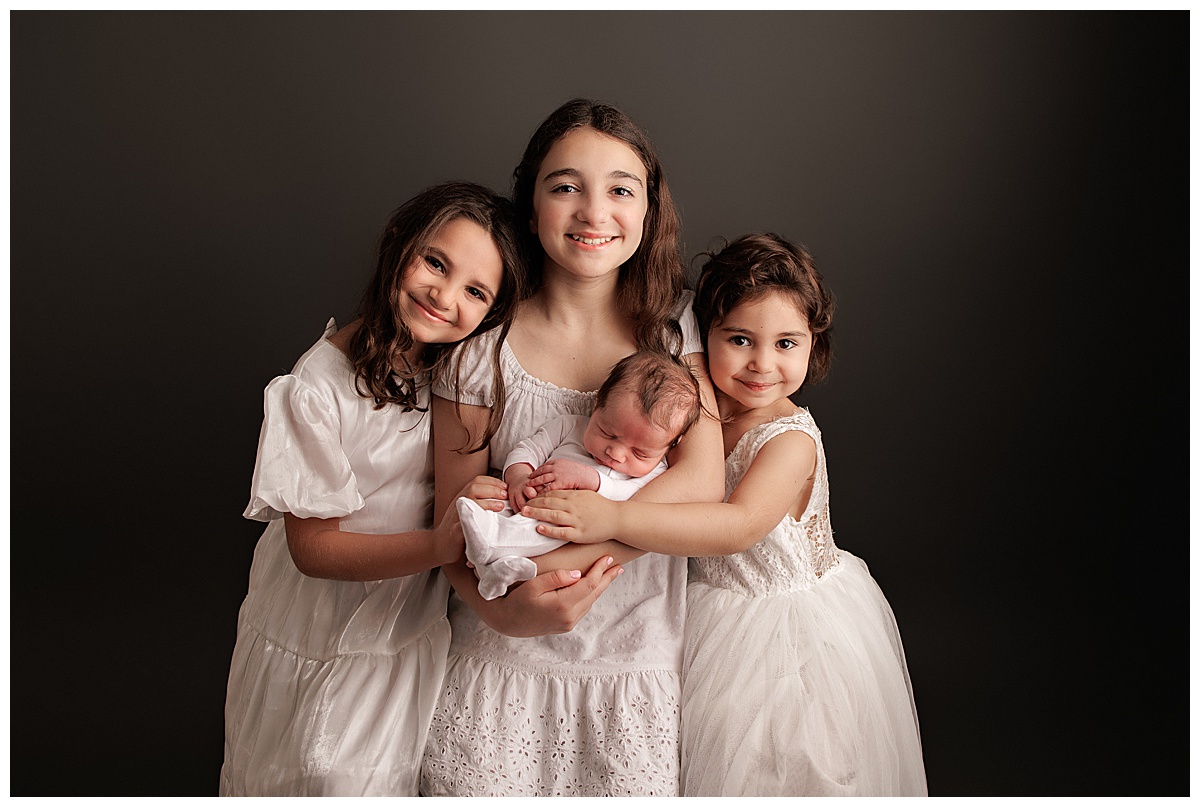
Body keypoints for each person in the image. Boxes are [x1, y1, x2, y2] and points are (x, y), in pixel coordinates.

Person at [525, 233, 928, 796]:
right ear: (703, 336)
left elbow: (739, 527)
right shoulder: (692, 416)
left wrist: (613, 520)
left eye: (787, 343)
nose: (763, 364)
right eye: (740, 339)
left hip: (786, 633)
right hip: (706, 615)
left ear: (814, 345)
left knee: (787, 763)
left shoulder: (789, 440)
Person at [419, 99, 725, 796]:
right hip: (500, 657)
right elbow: (452, 520)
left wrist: (583, 547)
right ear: (530, 206)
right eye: (565, 186)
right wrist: (498, 607)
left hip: (632, 662)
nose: (594, 211)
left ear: (649, 211)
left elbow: (701, 482)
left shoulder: (677, 333)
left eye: (621, 189)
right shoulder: (481, 349)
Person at [220, 182, 526, 796]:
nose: (444, 296)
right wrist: (442, 546)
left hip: (400, 633)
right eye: (436, 263)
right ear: (397, 245)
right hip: (316, 632)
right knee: (312, 776)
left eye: (475, 291)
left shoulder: (456, 373)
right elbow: (314, 551)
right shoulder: (318, 386)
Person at [457, 350, 703, 600]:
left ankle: (493, 550)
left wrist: (591, 481)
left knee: (543, 532)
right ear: (597, 404)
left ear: (671, 445)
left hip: (566, 532)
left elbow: (634, 499)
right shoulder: (570, 426)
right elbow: (528, 449)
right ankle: (492, 565)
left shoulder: (657, 472)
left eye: (639, 453)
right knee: (496, 504)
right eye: (608, 433)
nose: (615, 454)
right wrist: (518, 477)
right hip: (525, 501)